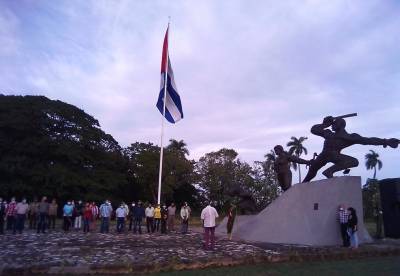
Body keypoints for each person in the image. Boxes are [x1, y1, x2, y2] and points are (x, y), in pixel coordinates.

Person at [303, 115, 399, 182]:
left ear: (340, 125)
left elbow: (369, 140)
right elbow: (313, 130)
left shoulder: (349, 137)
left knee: (354, 162)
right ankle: (304, 183)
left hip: (333, 155)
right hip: (324, 155)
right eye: (331, 124)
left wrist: (385, 141)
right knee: (312, 172)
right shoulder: (328, 133)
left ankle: (329, 171)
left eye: (334, 123)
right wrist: (325, 124)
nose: (332, 125)